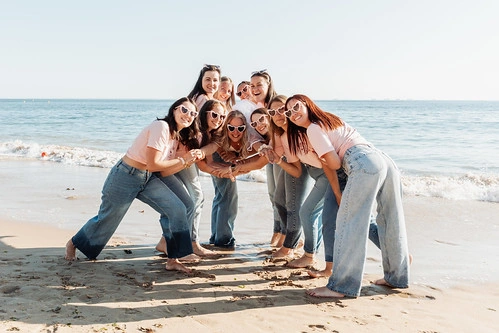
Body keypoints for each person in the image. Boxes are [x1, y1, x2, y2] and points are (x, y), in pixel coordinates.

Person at [284, 94, 410, 298]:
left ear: (308, 104)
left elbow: (333, 164)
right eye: (288, 112)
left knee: (349, 223)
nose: (292, 113)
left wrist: (320, 155)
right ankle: (396, 277)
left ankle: (341, 286)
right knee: (390, 219)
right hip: (383, 160)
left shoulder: (313, 128)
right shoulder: (330, 119)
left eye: (296, 106)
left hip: (362, 162)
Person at [65, 97, 204, 273]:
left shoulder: (175, 137)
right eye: (184, 110)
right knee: (108, 217)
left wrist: (186, 161)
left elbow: (161, 171)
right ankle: (74, 243)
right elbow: (153, 164)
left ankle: (173, 259)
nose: (188, 115)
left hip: (149, 178)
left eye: (193, 113)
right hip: (126, 175)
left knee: (177, 208)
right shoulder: (161, 127)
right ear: (175, 109)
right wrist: (183, 159)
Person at [203, 110, 267, 248]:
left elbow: (254, 158)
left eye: (240, 128)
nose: (236, 132)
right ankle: (224, 240)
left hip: (235, 160)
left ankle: (216, 238)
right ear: (226, 127)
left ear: (245, 128)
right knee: (228, 198)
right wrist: (226, 155)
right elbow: (215, 147)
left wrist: (238, 162)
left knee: (222, 197)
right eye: (231, 127)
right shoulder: (221, 135)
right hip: (216, 156)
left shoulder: (250, 136)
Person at [250, 108, 284, 247]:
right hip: (272, 160)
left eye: (261, 119)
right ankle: (277, 231)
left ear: (269, 117)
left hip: (284, 162)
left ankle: (285, 235)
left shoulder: (279, 134)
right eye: (254, 123)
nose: (258, 124)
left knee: (281, 198)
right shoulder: (264, 139)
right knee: (273, 196)